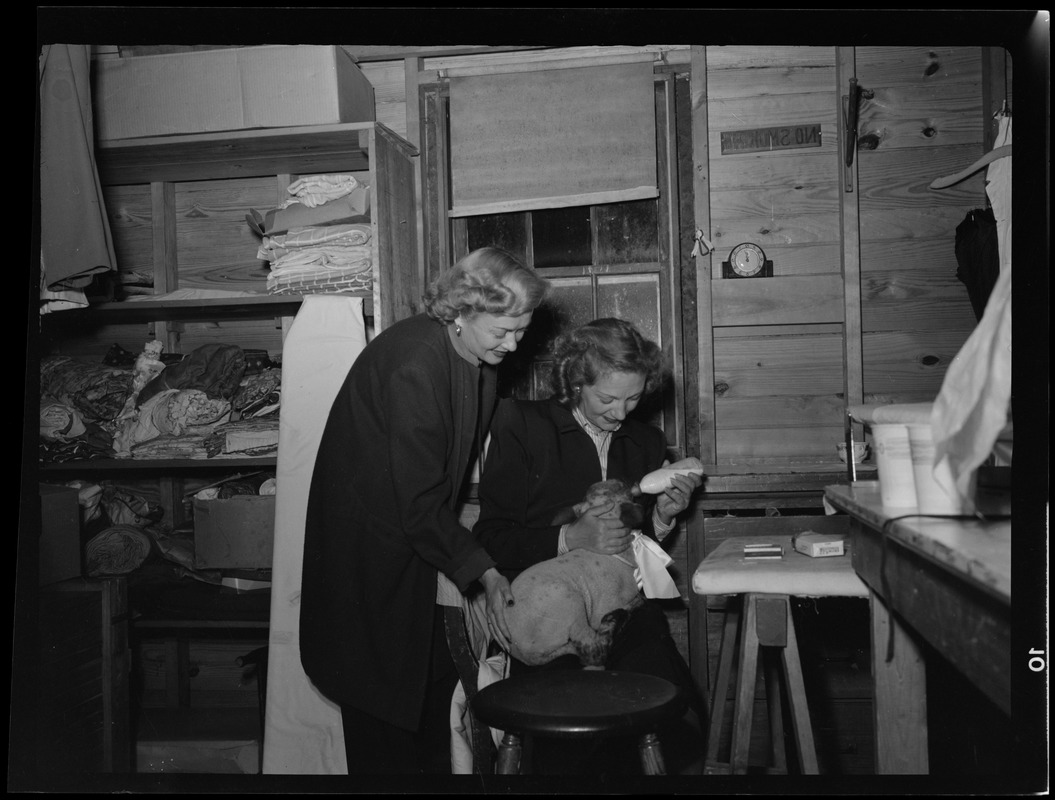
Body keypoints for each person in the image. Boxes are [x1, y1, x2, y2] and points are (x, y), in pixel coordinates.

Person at [299, 247, 548, 775]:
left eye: (522, 329)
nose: (514, 343)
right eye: (503, 330)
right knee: (381, 706)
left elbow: (438, 486)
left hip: (412, 542)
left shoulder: (477, 361)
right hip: (367, 551)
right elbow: (417, 501)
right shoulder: (415, 362)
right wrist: (483, 568)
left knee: (430, 694)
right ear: (462, 310)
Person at [475, 317, 706, 776]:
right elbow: (490, 538)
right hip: (552, 616)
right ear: (576, 381)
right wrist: (568, 538)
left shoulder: (646, 441)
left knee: (675, 711)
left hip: (624, 613)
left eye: (634, 398)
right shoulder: (522, 425)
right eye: (607, 398)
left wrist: (662, 516)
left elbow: (633, 547)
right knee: (574, 745)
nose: (621, 413)